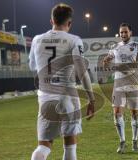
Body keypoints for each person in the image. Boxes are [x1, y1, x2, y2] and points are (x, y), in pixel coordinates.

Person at [29, 3, 95, 160]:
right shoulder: (74, 40)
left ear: (51, 21)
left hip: (45, 97)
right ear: (69, 23)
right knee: (70, 144)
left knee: (43, 145)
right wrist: (91, 99)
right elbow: (82, 72)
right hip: (67, 96)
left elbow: (32, 66)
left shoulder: (37, 40)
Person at [103, 23, 138, 153]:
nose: (123, 34)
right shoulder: (115, 47)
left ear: (130, 33)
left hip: (133, 85)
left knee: (135, 114)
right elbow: (107, 61)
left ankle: (135, 141)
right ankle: (122, 142)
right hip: (118, 85)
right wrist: (106, 61)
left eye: (125, 32)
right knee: (117, 113)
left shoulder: (137, 46)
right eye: (121, 32)